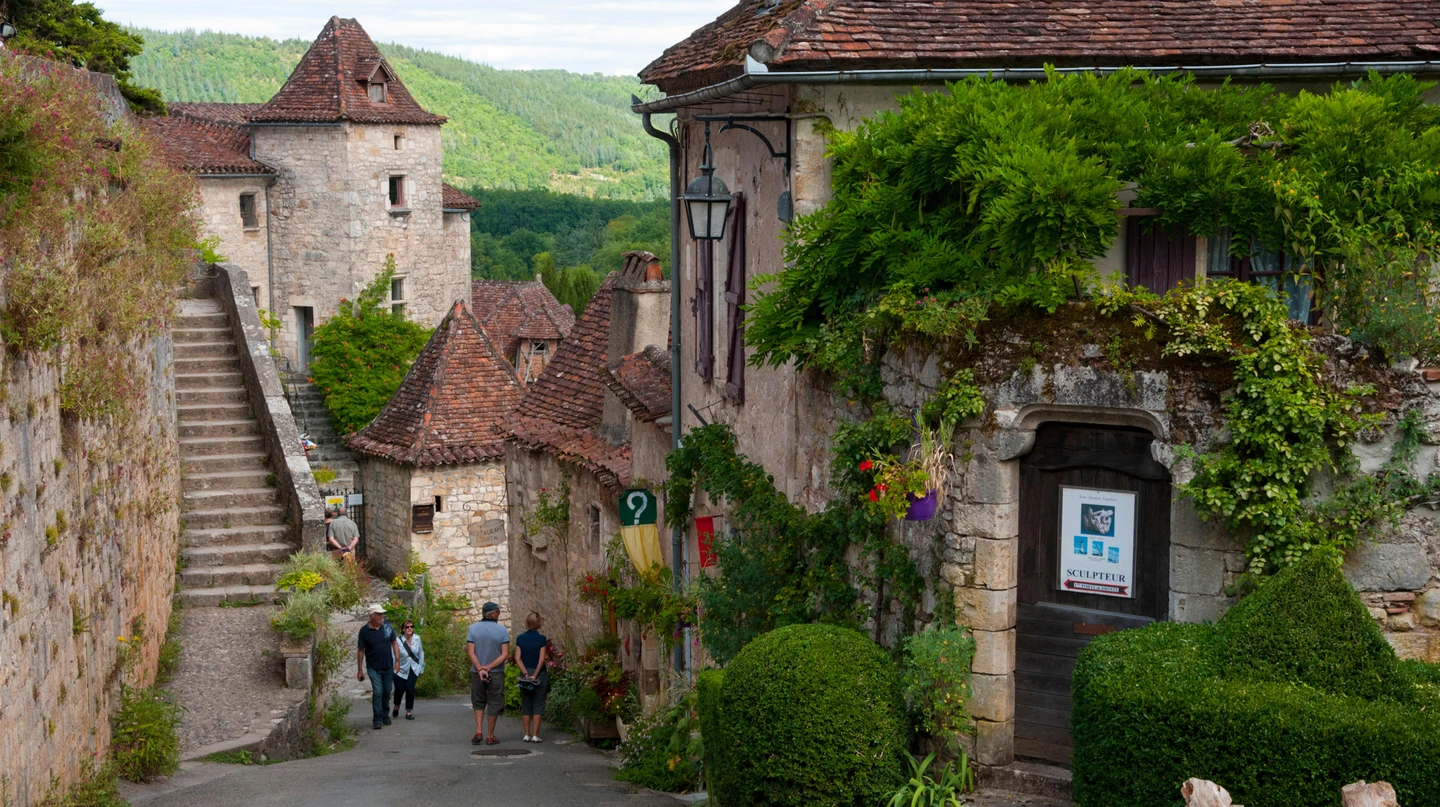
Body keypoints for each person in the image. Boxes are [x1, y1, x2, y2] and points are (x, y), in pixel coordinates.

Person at [465, 601, 509, 745]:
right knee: (494, 702)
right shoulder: (502, 631)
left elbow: (470, 652)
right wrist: (488, 668)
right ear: (492, 614)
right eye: (498, 611)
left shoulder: (473, 629)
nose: (499, 614)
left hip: (477, 672)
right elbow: (504, 654)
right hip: (495, 673)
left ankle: (478, 730)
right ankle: (490, 735)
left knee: (478, 701)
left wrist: (480, 669)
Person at [357, 603, 400, 730]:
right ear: (372, 616)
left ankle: (385, 713)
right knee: (377, 692)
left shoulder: (387, 627)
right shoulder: (364, 631)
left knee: (387, 691)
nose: (382, 616)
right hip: (373, 667)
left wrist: (397, 660)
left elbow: (394, 643)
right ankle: (377, 719)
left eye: (382, 614)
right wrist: (360, 670)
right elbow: (361, 650)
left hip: (387, 666)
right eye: (379, 614)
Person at [513, 611, 549, 743]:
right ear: (539, 623)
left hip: (525, 673)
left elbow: (517, 658)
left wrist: (526, 674)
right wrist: (535, 674)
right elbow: (541, 659)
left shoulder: (520, 638)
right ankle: (535, 735)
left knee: (526, 704)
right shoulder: (541, 639)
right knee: (538, 704)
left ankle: (526, 734)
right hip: (539, 674)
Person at [393, 619, 424, 720]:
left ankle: (409, 712)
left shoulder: (417, 638)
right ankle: (396, 705)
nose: (410, 628)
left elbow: (420, 653)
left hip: (413, 668)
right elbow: (393, 654)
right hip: (400, 669)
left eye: (411, 626)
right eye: (407, 627)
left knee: (410, 689)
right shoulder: (398, 640)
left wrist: (421, 668)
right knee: (399, 689)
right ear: (403, 629)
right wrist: (394, 666)